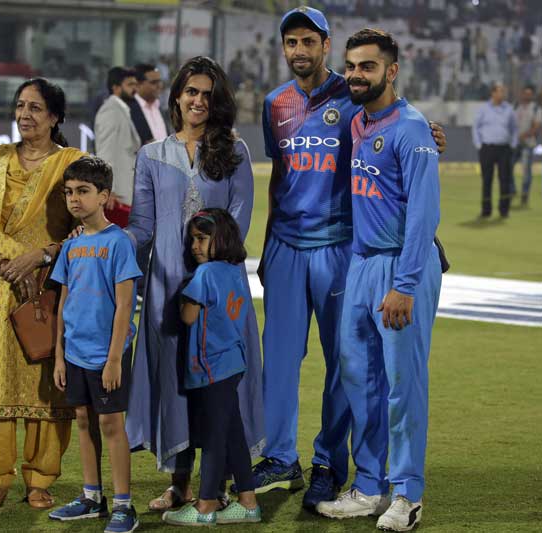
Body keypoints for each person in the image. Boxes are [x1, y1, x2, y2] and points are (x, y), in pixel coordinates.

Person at [256, 7, 446, 509]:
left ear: (325, 44)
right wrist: (268, 243)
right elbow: (281, 174)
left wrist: (432, 134)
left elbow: (407, 146)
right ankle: (314, 469)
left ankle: (360, 475)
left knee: (375, 376)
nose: (298, 50)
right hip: (312, 252)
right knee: (315, 368)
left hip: (357, 252)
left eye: (308, 41)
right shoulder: (285, 105)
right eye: (290, 42)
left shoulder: (364, 102)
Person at [124, 56, 264, 512]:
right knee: (175, 383)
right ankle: (182, 484)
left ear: (217, 100)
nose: (198, 101)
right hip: (166, 289)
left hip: (218, 293)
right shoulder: (151, 155)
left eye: (207, 94)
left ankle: (217, 487)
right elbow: (143, 228)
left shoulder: (235, 153)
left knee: (219, 387)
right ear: (177, 97)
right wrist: (104, 242)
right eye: (191, 92)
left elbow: (236, 229)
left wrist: (205, 274)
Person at [316, 29, 442, 533]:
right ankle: (370, 487)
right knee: (359, 379)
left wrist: (406, 284)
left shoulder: (411, 130)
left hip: (400, 267)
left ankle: (407, 494)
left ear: (391, 71)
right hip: (362, 264)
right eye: (350, 66)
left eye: (367, 66)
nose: (355, 75)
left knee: (402, 385)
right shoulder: (359, 123)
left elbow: (422, 215)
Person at [0, 77, 83, 509]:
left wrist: (41, 257)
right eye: (20, 106)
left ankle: (40, 479)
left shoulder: (72, 164)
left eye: (35, 108)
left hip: (49, 287)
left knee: (46, 381)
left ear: (54, 117)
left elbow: (86, 224)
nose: (24, 115)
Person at [48, 156, 141, 533]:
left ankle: (124, 505)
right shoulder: (70, 248)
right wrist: (58, 356)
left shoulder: (118, 242)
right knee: (84, 420)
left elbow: (124, 305)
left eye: (83, 192)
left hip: (107, 354)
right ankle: (91, 497)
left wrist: (115, 358)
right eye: (69, 192)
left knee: (111, 424)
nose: (74, 199)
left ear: (103, 195)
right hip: (74, 353)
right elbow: (62, 305)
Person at [162, 209, 261, 526]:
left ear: (222, 239)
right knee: (233, 435)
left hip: (212, 366)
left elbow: (189, 317)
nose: (195, 246)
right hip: (232, 362)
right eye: (193, 239)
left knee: (216, 437)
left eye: (202, 239)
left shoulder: (204, 275)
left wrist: (179, 294)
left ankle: (205, 506)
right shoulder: (234, 270)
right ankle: (248, 502)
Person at [94, 67, 141, 228]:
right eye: (129, 84)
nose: (134, 88)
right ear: (115, 87)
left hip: (124, 194)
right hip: (116, 197)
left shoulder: (122, 110)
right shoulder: (110, 111)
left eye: (135, 84)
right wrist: (108, 189)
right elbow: (105, 153)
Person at [472, 81, 517, 218]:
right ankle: (486, 211)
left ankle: (504, 210)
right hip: (487, 148)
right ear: (493, 93)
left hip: (504, 148)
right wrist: (479, 145)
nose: (502, 94)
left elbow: (514, 129)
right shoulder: (484, 109)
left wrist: (513, 144)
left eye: (503, 91)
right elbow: (476, 127)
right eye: (499, 91)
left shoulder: (509, 109)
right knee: (487, 180)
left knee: (505, 179)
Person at [513, 85, 540, 206]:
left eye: (529, 94)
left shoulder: (535, 109)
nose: (527, 96)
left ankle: (525, 194)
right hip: (515, 143)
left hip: (528, 143)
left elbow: (536, 127)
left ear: (532, 95)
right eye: (525, 93)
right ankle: (512, 190)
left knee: (526, 171)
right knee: (507, 167)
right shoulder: (516, 107)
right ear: (522, 94)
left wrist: (524, 135)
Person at [133, 63, 168, 143]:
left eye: (160, 81)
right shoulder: (128, 109)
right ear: (138, 85)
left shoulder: (158, 107)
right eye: (154, 82)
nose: (159, 86)